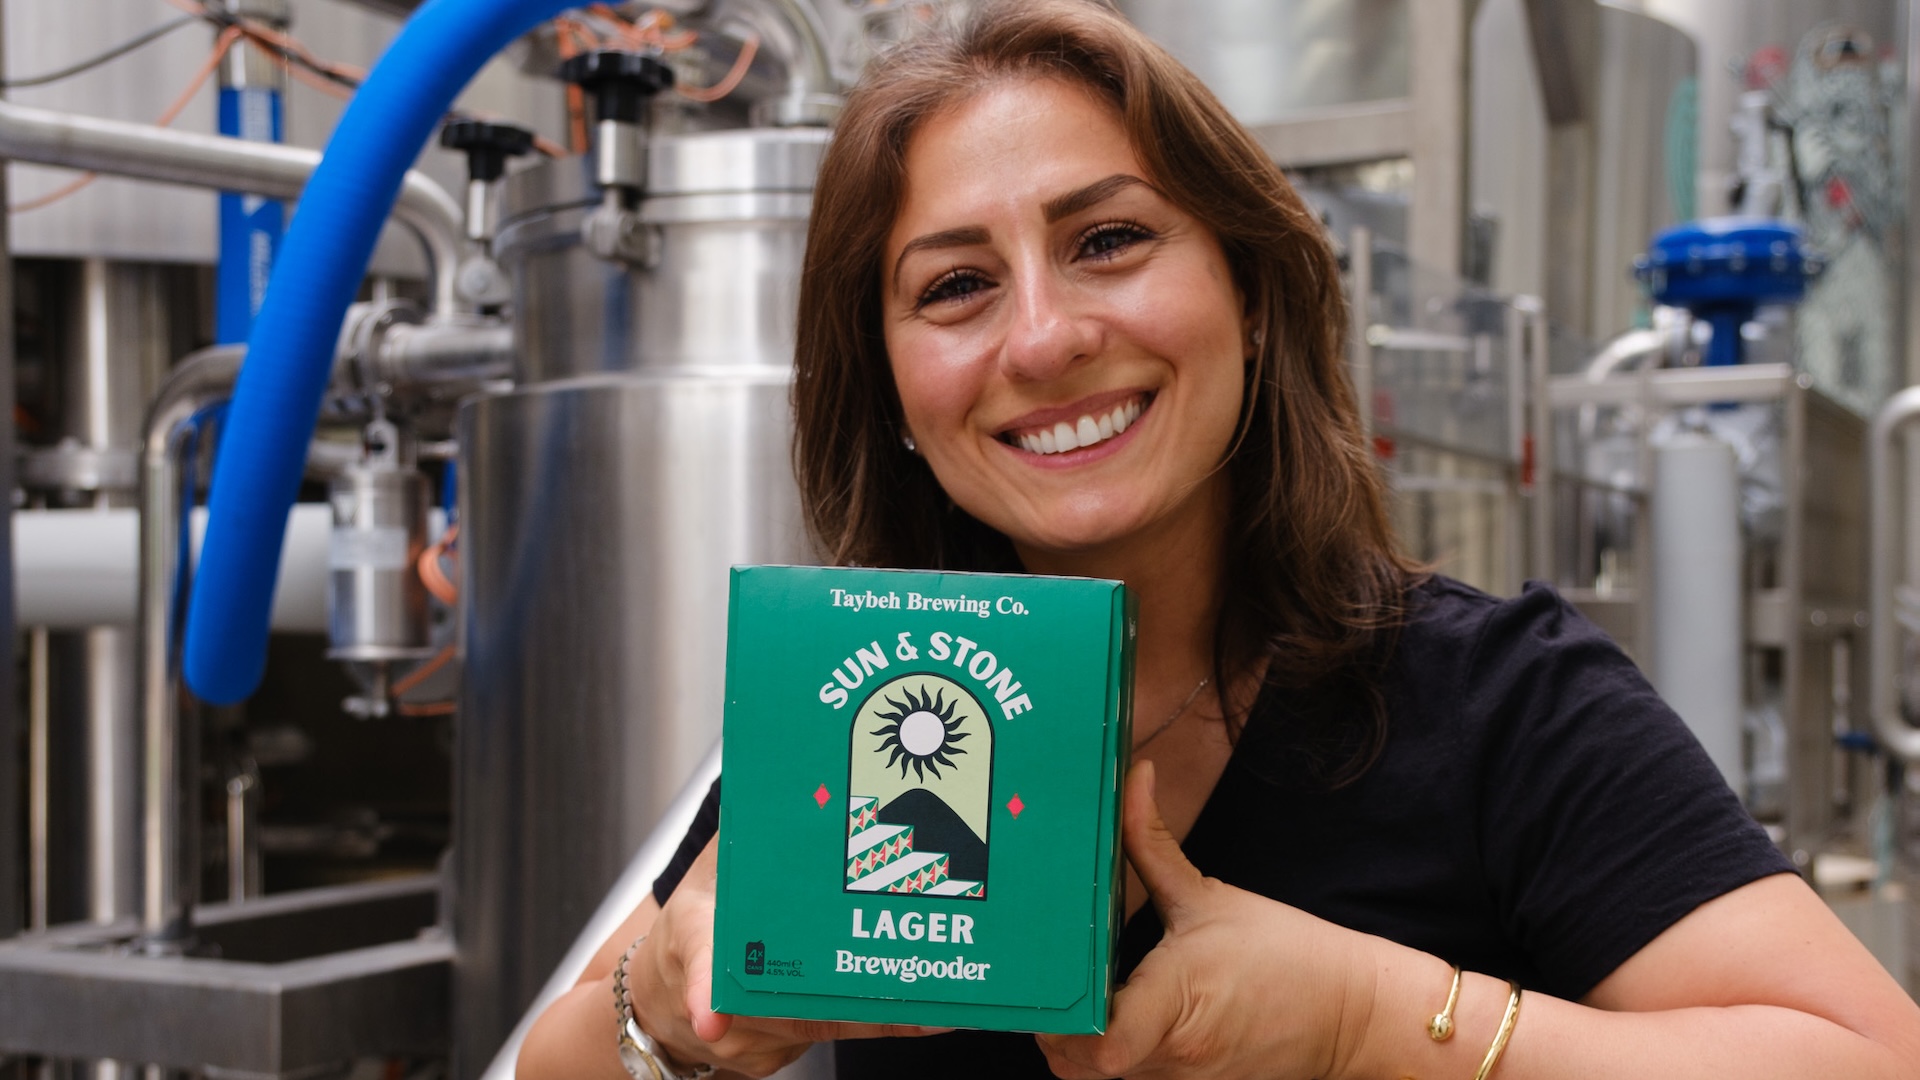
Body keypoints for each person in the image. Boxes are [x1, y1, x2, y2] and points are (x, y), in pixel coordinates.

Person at [519, 1, 1920, 1077]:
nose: (1047, 336)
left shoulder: (1500, 702)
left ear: (1250, 295)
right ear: (887, 387)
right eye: (953, 285)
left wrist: (1374, 1020)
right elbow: (559, 1054)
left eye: (1110, 240)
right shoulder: (877, 694)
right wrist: (673, 1006)